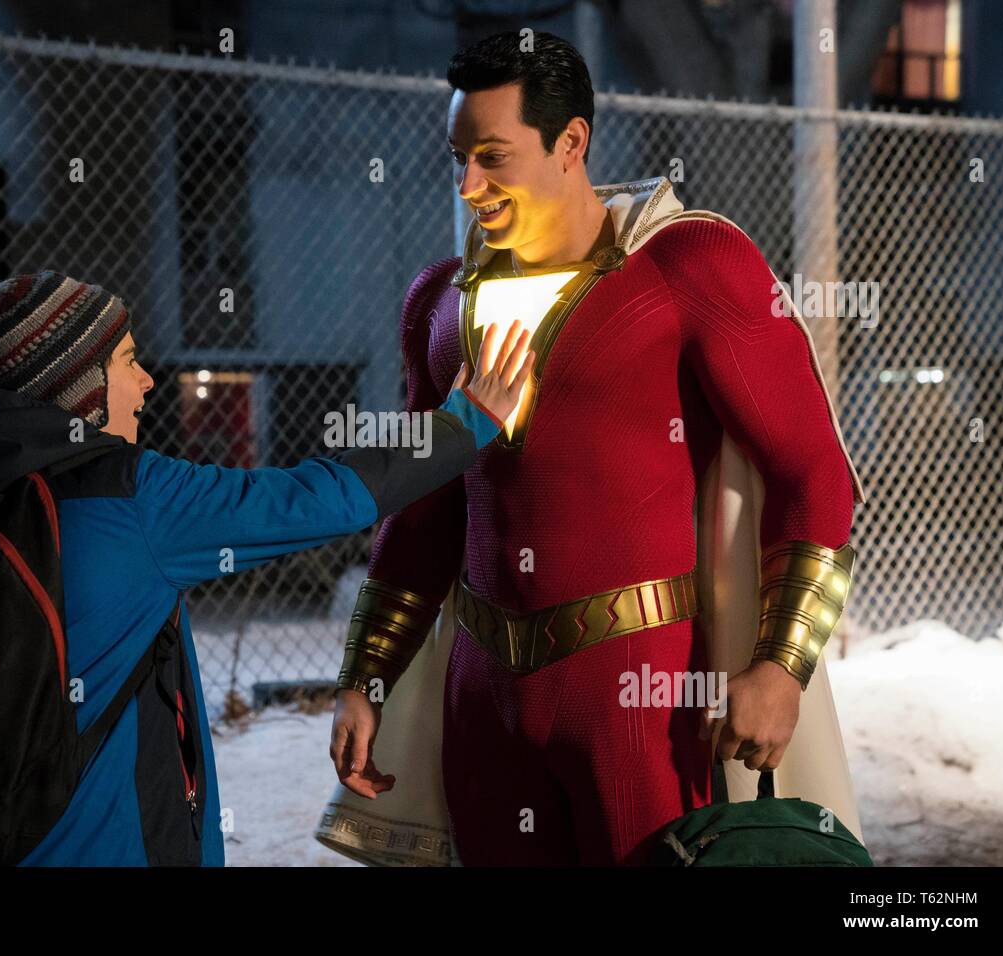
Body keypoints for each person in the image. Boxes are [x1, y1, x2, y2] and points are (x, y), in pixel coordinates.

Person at [322, 31, 867, 866]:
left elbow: (813, 473)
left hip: (641, 696)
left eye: (493, 157)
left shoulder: (694, 264)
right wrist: (367, 678)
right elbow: (424, 515)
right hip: (481, 696)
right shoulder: (438, 301)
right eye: (458, 157)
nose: (469, 186)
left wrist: (780, 665)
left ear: (570, 142)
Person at [0, 269, 534, 865]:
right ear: (78, 382)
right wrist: (464, 426)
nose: (147, 381)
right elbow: (310, 499)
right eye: (126, 361)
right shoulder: (129, 499)